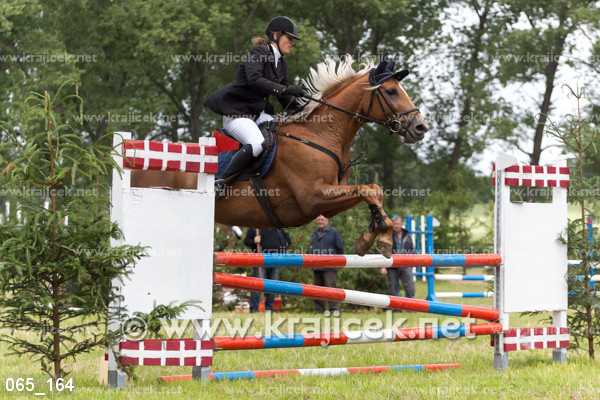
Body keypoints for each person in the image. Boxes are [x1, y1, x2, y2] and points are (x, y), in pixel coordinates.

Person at [204, 16, 306, 196]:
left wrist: (309, 104)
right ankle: (220, 182)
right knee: (257, 143)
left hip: (259, 115)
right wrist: (286, 89)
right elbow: (255, 79)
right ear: (275, 35)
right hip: (238, 115)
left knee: (283, 136)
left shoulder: (281, 63)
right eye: (289, 37)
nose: (292, 42)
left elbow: (285, 100)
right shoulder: (258, 52)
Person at [244, 228, 292, 312]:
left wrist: (286, 243)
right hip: (260, 261)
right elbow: (246, 241)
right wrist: (254, 241)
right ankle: (254, 310)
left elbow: (287, 237)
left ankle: (269, 310)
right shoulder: (255, 227)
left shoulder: (276, 228)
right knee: (257, 286)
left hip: (275, 260)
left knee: (272, 287)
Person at [310, 215, 344, 313]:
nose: (320, 221)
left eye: (322, 220)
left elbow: (340, 249)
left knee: (331, 288)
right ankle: (319, 310)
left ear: (327, 221)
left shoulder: (334, 233)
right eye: (318, 220)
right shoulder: (314, 233)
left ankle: (333, 309)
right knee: (317, 289)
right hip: (316, 266)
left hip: (330, 266)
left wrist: (336, 262)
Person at [380, 215, 415, 299]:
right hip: (392, 265)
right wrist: (383, 266)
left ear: (401, 224)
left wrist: (414, 262)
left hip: (406, 264)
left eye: (398, 224)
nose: (396, 226)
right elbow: (383, 251)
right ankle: (395, 306)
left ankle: (410, 305)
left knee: (410, 288)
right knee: (392, 288)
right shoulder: (387, 235)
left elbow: (412, 249)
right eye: (395, 224)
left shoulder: (407, 234)